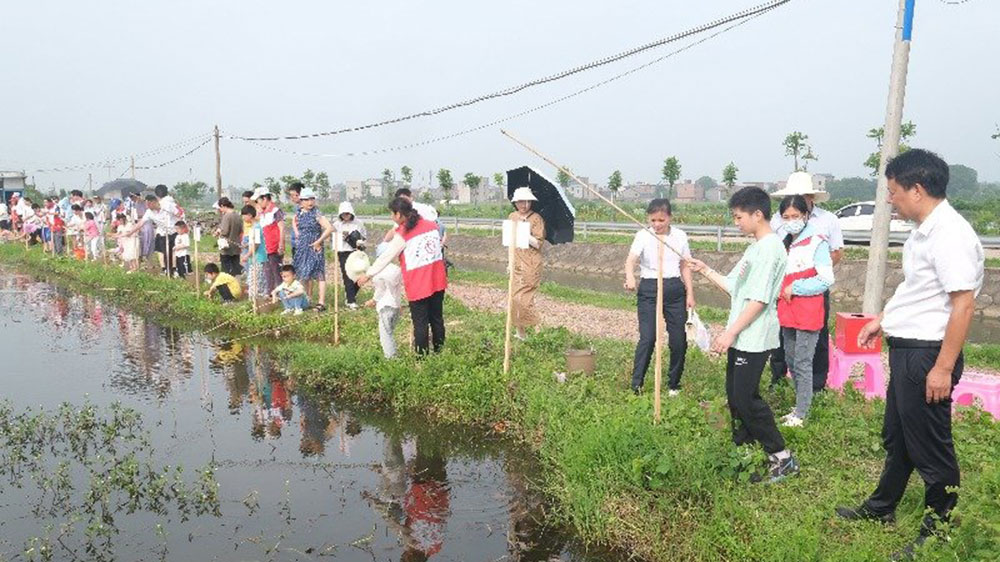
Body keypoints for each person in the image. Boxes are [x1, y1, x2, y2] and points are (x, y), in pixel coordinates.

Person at [836, 149, 984, 560]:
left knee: (931, 450)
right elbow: (919, 291)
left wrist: (943, 366)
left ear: (917, 190)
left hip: (927, 356)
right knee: (898, 437)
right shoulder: (924, 231)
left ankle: (938, 530)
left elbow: (963, 305)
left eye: (894, 192)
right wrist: (882, 318)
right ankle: (882, 507)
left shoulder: (950, 234)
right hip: (907, 351)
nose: (890, 200)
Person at [687, 186, 799, 484]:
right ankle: (743, 452)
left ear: (757, 214)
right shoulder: (754, 249)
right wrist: (705, 270)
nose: (736, 223)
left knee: (746, 398)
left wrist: (729, 333)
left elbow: (759, 300)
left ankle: (782, 456)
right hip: (741, 336)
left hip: (752, 336)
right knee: (735, 397)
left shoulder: (771, 249)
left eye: (738, 217)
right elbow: (735, 287)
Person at [768, 172, 844, 391]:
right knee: (783, 334)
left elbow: (837, 252)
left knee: (817, 335)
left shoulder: (828, 220)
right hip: (785, 289)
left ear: (811, 197)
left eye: (802, 196)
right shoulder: (777, 220)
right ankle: (779, 378)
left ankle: (817, 384)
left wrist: (812, 274)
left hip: (814, 287)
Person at [357, 197, 448, 355]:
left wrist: (368, 275)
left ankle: (422, 359)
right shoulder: (431, 225)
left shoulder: (403, 234)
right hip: (437, 278)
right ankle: (439, 353)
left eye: (392, 214)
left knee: (420, 323)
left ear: (399, 214)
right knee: (437, 318)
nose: (392, 218)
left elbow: (385, 257)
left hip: (419, 282)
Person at [775, 195, 835, 427]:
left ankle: (801, 413)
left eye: (796, 216)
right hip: (787, 309)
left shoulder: (817, 242)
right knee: (790, 358)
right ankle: (800, 403)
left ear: (806, 215)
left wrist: (797, 287)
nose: (791, 221)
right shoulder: (786, 242)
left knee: (802, 361)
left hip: (807, 310)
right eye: (786, 217)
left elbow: (826, 279)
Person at [624, 198, 694, 395]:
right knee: (648, 338)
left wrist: (690, 292)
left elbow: (685, 265)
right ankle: (636, 384)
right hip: (649, 289)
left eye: (661, 220)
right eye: (653, 220)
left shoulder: (679, 236)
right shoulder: (643, 235)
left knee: (679, 340)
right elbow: (630, 261)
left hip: (674, 290)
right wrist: (630, 277)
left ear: (669, 218)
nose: (656, 224)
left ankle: (674, 384)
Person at [506, 187, 547, 341]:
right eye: (521, 201)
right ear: (515, 203)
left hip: (530, 262)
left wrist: (524, 232)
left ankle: (538, 330)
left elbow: (538, 243)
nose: (524, 205)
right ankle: (520, 331)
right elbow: (510, 241)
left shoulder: (536, 219)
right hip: (516, 260)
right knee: (514, 298)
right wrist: (510, 262)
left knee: (525, 299)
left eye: (527, 201)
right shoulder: (512, 217)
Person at [292, 188, 333, 311]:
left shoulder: (317, 213)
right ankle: (306, 299)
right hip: (302, 246)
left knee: (319, 273)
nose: (310, 202)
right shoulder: (299, 213)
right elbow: (294, 222)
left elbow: (329, 228)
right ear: (301, 201)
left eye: (312, 199)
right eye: (307, 200)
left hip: (315, 246)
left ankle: (321, 302)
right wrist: (297, 233)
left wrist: (318, 241)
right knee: (303, 272)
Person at [365, 242, 404, 358]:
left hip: (385, 307)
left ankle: (391, 359)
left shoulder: (379, 271)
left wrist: (373, 300)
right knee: (390, 332)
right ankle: (392, 356)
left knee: (385, 334)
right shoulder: (397, 270)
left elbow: (381, 289)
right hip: (396, 306)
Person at [333, 201, 367, 309]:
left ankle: (350, 295)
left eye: (347, 213)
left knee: (357, 276)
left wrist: (359, 242)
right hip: (343, 252)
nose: (345, 216)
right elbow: (335, 239)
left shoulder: (358, 223)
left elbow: (364, 236)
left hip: (355, 252)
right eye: (343, 214)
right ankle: (351, 300)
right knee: (347, 276)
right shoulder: (337, 224)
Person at [251, 188, 285, 293]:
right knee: (268, 272)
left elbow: (282, 228)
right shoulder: (263, 213)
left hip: (274, 247)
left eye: (258, 200)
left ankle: (279, 295)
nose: (257, 203)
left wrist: (281, 244)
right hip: (266, 248)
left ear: (265, 198)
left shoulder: (276, 211)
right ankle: (270, 293)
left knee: (276, 272)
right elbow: (252, 204)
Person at [241, 205, 268, 301]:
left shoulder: (256, 227)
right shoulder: (253, 227)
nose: (243, 218)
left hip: (258, 257)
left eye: (244, 215)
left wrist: (247, 255)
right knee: (254, 279)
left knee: (256, 280)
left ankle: (255, 301)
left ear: (249, 215)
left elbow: (256, 243)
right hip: (254, 258)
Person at [287, 182, 302, 259]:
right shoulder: (296, 208)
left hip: (303, 245)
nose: (292, 198)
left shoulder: (308, 210)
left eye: (294, 195)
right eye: (291, 195)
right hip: (295, 243)